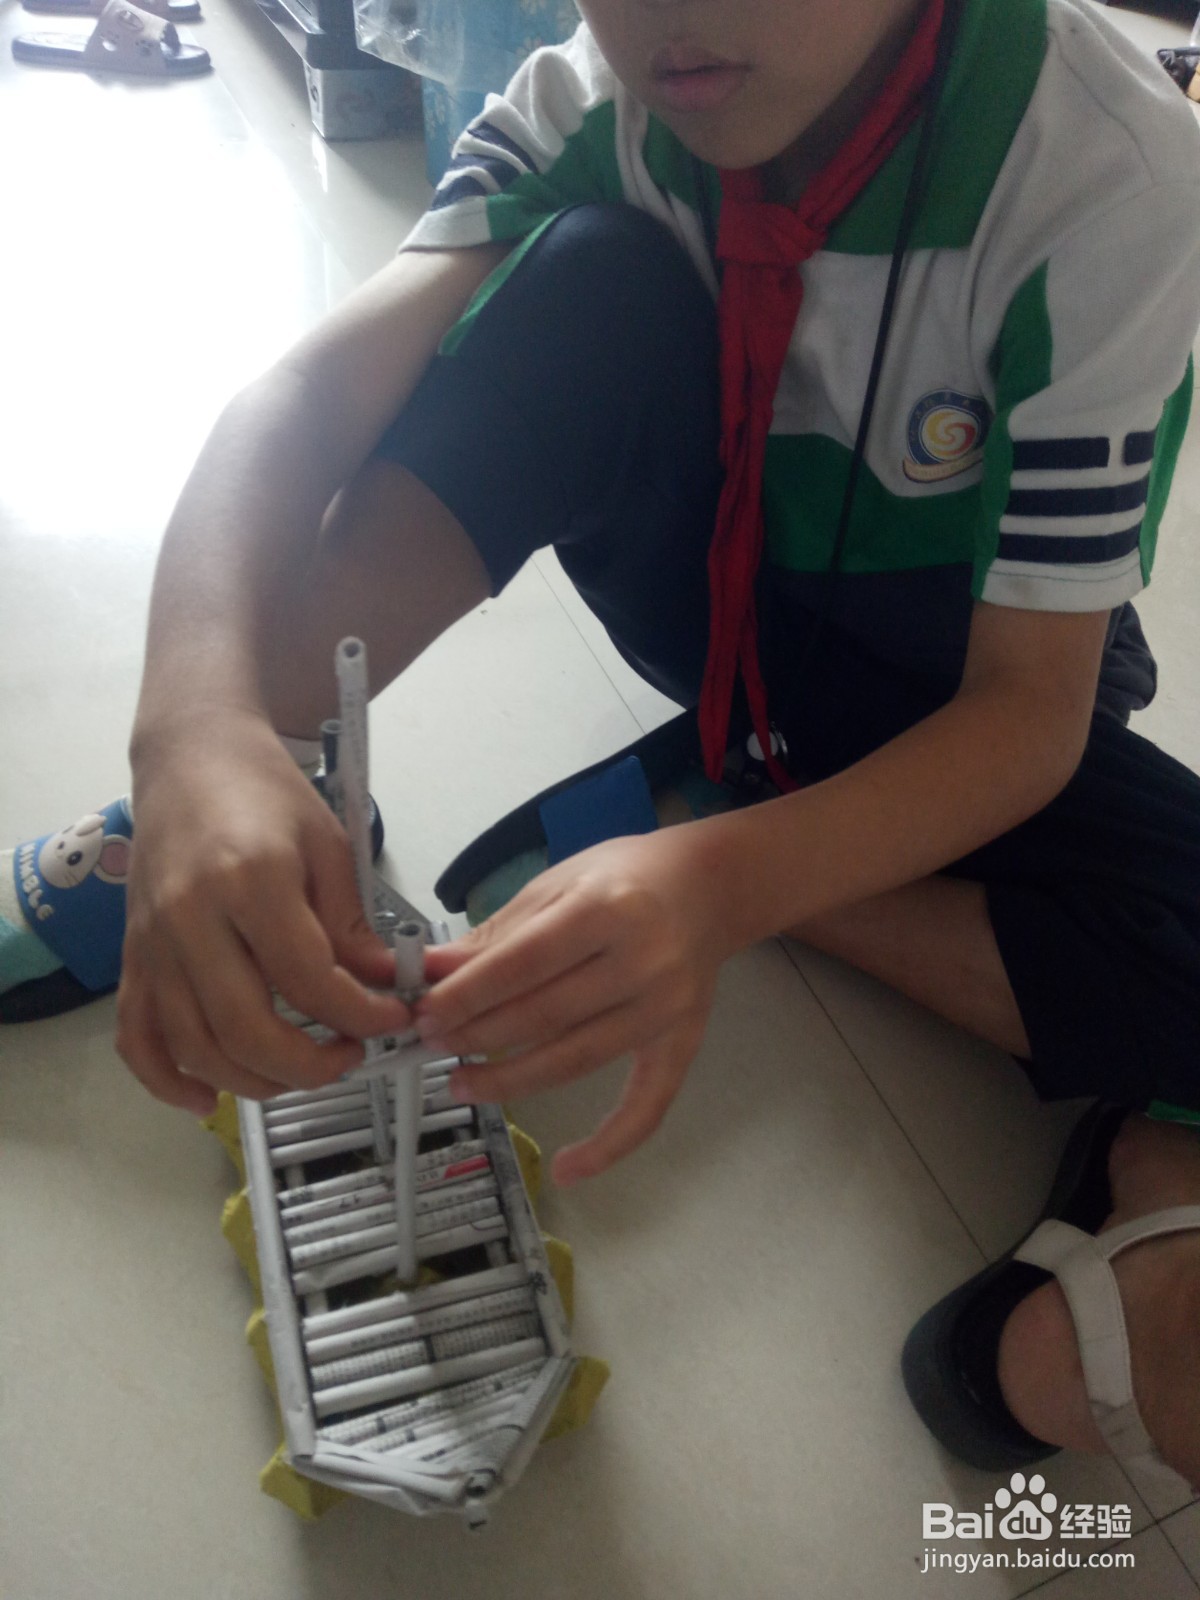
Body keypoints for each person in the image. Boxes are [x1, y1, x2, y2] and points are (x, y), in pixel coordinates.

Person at [5, 0, 1200, 1489]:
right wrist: (192, 726)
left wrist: (720, 885)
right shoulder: (597, 98)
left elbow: (1025, 718)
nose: (670, 18)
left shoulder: (1109, 176)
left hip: (952, 673)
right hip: (703, 592)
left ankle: (708, 822)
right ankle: (272, 772)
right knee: (593, 283)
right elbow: (308, 392)